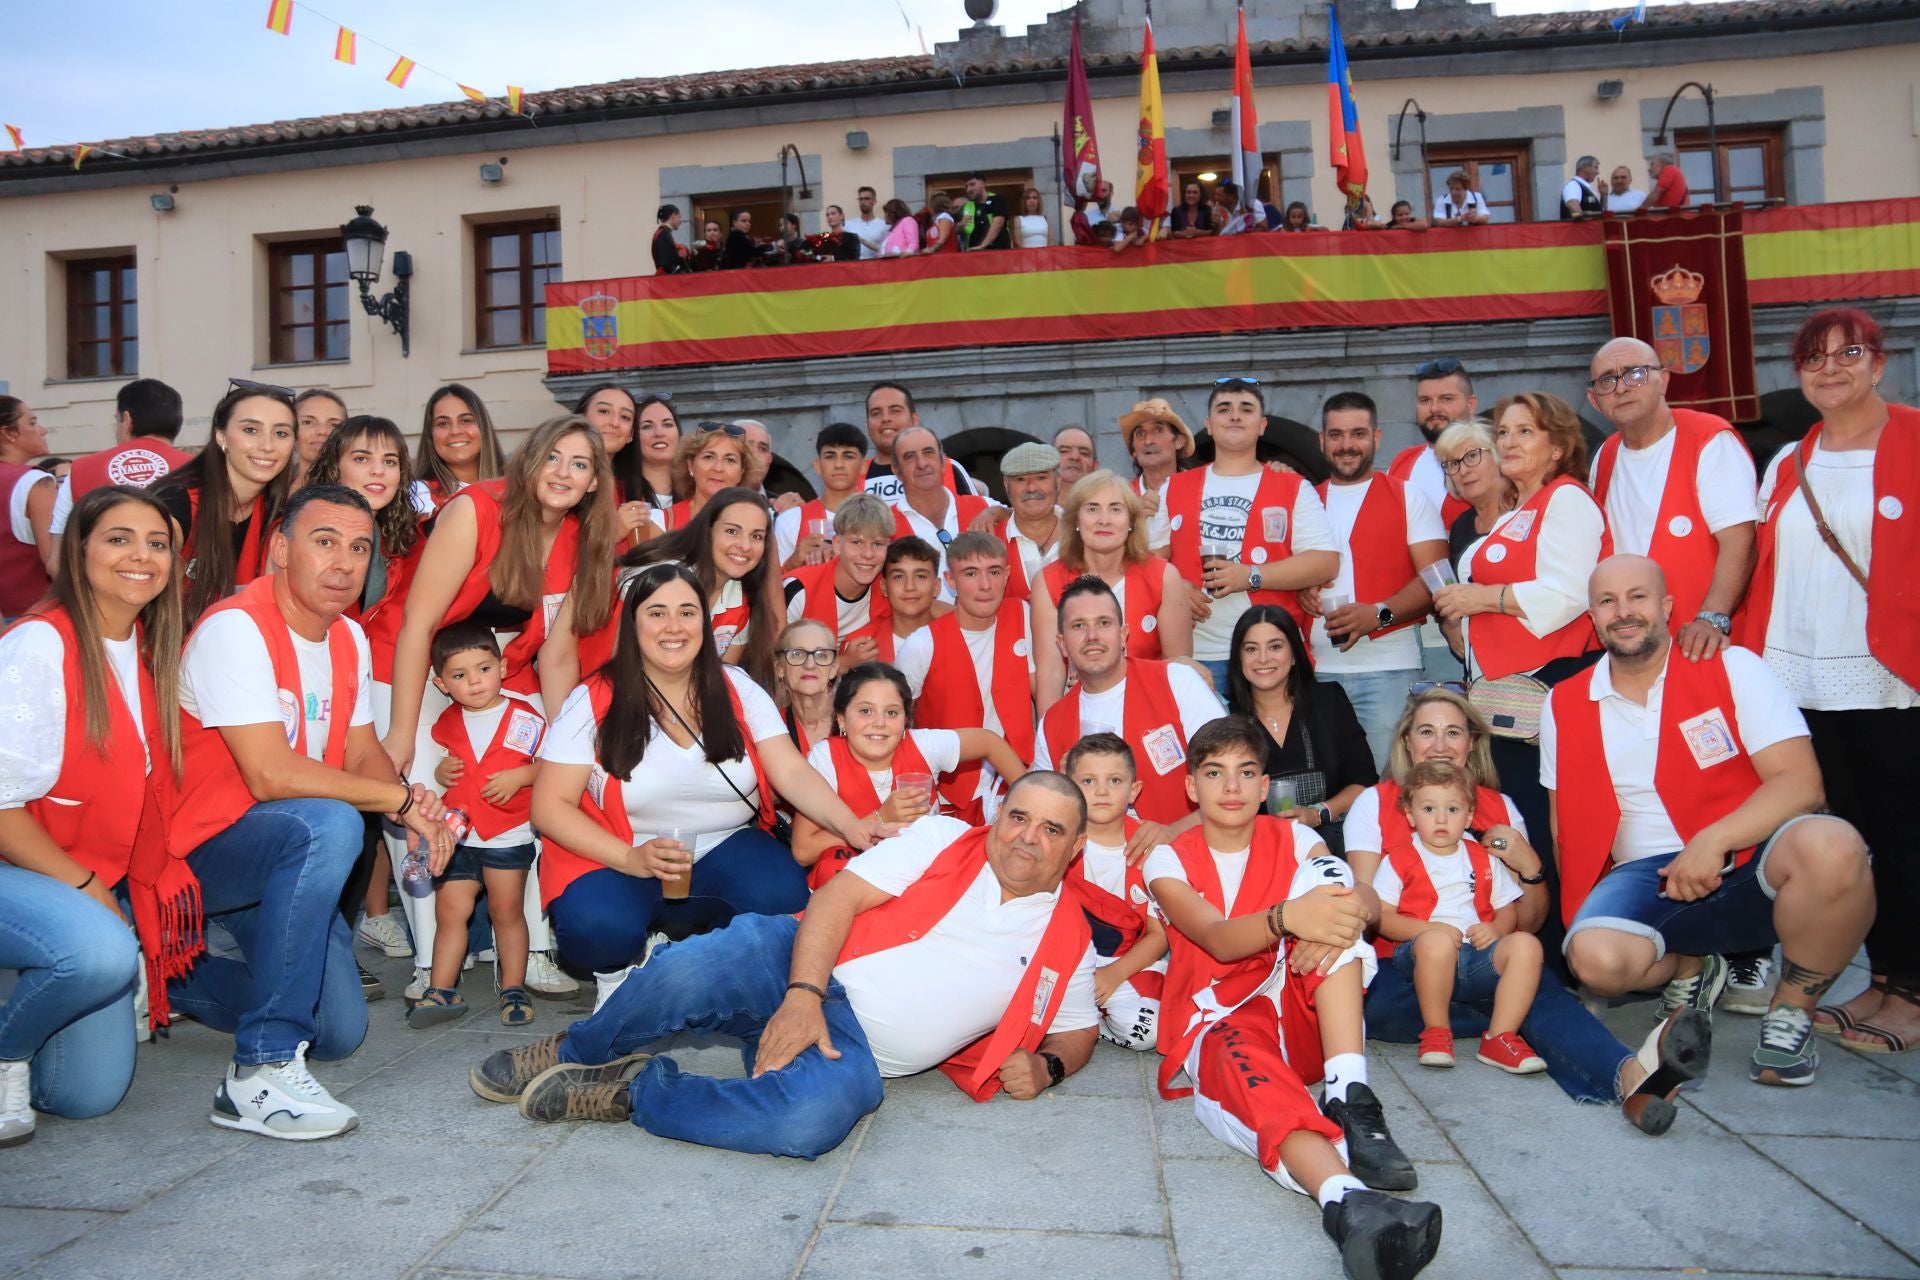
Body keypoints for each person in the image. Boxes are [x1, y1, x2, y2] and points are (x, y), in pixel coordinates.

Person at [474, 771, 1099, 1155]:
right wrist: (802, 996)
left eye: (1050, 829)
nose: (1027, 837)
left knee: (808, 1123)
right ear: (998, 818)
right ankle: (574, 1049)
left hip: (852, 1048)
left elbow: (1077, 1029)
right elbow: (836, 895)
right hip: (797, 964)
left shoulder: (1068, 937)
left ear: (1074, 848)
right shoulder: (942, 838)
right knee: (691, 969)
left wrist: (1049, 1066)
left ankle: (636, 1093)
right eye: (1018, 817)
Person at [169, 484, 456, 1139]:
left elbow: (362, 754)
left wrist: (416, 812)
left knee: (337, 1032)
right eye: (324, 542)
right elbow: (271, 774)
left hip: (278, 853)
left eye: (360, 548)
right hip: (200, 851)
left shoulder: (348, 637)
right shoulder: (234, 628)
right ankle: (259, 1069)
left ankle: (163, 976)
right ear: (279, 549)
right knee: (328, 824)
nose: (344, 563)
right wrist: (400, 801)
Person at [1547, 554, 1876, 1086]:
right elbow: (1566, 824)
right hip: (1648, 877)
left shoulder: (1733, 666)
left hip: (1752, 857)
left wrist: (1714, 839)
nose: (1624, 611)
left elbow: (1801, 782)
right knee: (1595, 961)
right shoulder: (1563, 701)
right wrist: (1590, 907)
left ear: (1667, 607)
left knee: (1834, 845)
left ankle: (1791, 1011)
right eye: (1607, 601)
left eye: (1638, 596)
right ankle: (1693, 967)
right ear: (1592, 617)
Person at [1144, 718, 1441, 1270]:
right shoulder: (1168, 857)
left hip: (1302, 1013)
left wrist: (1336, 916)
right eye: (1215, 773)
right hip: (1223, 1015)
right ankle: (1349, 1204)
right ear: (1191, 786)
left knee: (1336, 927)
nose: (1231, 788)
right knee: (1264, 1092)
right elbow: (1216, 938)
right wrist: (1290, 918)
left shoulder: (1298, 837)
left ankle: (1350, 1093)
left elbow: (1356, 896)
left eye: (1246, 773)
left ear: (1265, 786)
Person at [1350, 685, 1713, 1129]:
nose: (1440, 745)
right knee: (1379, 1005)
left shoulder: (1497, 806)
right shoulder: (1377, 802)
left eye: (1454, 733)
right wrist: (1428, 935)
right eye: (1427, 732)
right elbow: (1367, 912)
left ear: (1471, 744)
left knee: (1527, 966)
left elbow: (1532, 920)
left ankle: (1631, 1078)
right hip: (1404, 967)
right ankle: (1514, 1018)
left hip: (1485, 955)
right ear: (1407, 741)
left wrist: (1530, 866)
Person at [532, 562, 886, 1008]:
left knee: (784, 901)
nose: (674, 627)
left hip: (724, 846)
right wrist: (629, 857)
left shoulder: (737, 687)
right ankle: (619, 973)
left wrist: (851, 826)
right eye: (657, 613)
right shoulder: (593, 698)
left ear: (704, 620)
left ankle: (699, 960)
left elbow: (791, 772)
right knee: (596, 928)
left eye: (687, 612)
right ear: (633, 623)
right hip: (625, 852)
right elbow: (549, 806)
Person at [384, 417, 619, 1001]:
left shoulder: (583, 537)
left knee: (547, 797)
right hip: (424, 667)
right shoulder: (474, 510)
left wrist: (567, 748)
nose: (563, 473)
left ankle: (535, 949)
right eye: (553, 458)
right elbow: (418, 626)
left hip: (507, 672)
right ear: (530, 460)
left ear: (594, 482)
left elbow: (559, 656)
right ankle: (429, 957)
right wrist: (403, 734)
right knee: (421, 799)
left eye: (580, 464)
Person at [1740, 307, 1919, 1053]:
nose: (1831, 368)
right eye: (1814, 358)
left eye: (1849, 353)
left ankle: (1911, 993)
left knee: (1906, 836)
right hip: (1801, 679)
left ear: (1879, 364)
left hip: (1890, 678)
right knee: (1851, 839)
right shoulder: (1789, 462)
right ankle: (1877, 980)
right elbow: (1765, 570)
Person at [0, 486, 181, 1144]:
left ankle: (50, 975)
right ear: (78, 552)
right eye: (118, 538)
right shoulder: (38, 646)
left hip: (75, 877)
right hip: (23, 867)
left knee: (84, 1096)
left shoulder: (149, 651)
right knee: (101, 951)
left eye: (156, 543)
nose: (141, 555)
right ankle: (4, 1049)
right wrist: (90, 893)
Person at [1432, 392, 1607, 917]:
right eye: (1503, 431)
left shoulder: (1566, 499)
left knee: (1544, 821)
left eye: (1524, 431)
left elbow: (1573, 592)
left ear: (1557, 448)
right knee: (1521, 821)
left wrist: (1479, 599)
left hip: (1551, 686)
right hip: (1508, 696)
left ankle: (1562, 946)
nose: (1508, 440)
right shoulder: (1524, 509)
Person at [303, 416, 429, 975]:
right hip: (312, 690)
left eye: (390, 461)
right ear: (334, 465)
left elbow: (410, 628)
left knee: (367, 816)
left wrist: (399, 727)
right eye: (362, 458)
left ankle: (340, 944)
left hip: (378, 690)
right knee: (327, 817)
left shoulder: (410, 536)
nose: (377, 471)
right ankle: (322, 945)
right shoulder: (302, 527)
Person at [1148, 377, 1340, 690]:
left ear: (1262, 425)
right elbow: (1148, 563)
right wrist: (1175, 585)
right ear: (1209, 425)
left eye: (1246, 409)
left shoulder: (1294, 487)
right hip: (1196, 656)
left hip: (1269, 656)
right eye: (1224, 409)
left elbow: (1325, 562)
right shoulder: (1174, 487)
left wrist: (1250, 575)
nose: (1235, 416)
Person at [1586, 336, 1757, 657]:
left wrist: (1712, 619)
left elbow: (1741, 542)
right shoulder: (1605, 456)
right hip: (1633, 651)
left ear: (1662, 381)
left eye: (1634, 374)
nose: (1621, 388)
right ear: (1594, 400)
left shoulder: (1708, 440)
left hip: (1704, 646)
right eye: (1607, 380)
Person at [1306, 392, 1449, 771]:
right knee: (1329, 792)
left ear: (1377, 438)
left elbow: (1438, 579)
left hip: (1391, 669)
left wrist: (1380, 614)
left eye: (1358, 434)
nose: (1347, 445)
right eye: (1336, 435)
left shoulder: (1409, 497)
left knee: (1392, 788)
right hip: (1315, 672)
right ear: (1322, 441)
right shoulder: (1303, 501)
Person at [413, 622, 544, 1029]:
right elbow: (444, 763)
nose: (474, 682)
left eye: (484, 669)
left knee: (507, 911)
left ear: (502, 667)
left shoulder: (524, 715)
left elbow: (554, 767)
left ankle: (514, 987)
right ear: (441, 683)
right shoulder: (448, 722)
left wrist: (520, 778)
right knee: (451, 910)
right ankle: (440, 986)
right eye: (459, 675)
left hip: (508, 832)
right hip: (458, 833)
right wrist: (439, 768)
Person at [1377, 761, 1544, 1073]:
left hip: (1474, 956)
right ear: (1411, 816)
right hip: (1421, 954)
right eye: (1429, 809)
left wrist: (1496, 928)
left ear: (1468, 816)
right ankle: (1437, 1032)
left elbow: (1507, 907)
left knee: (1526, 945)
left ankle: (1499, 1036)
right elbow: (1382, 917)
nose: (1441, 819)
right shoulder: (1399, 859)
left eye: (1452, 810)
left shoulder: (1483, 857)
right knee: (1437, 942)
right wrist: (1427, 929)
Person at [795, 661, 1025, 887]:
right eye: (865, 711)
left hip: (924, 875)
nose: (879, 723)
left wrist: (1030, 804)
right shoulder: (825, 758)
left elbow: (989, 742)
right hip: (857, 880)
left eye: (892, 712)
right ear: (842, 718)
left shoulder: (924, 745)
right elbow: (803, 850)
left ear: (906, 720)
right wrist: (881, 818)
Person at [1035, 578, 1224, 844]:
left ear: (1123, 635)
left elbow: (1230, 779)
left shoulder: (1177, 681)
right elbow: (1046, 818)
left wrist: (1173, 833)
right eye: (1079, 626)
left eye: (1103, 623)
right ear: (1062, 643)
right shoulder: (1051, 725)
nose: (1092, 636)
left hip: (1190, 858)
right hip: (1097, 875)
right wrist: (1065, 788)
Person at [896, 533, 1034, 819]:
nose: (985, 585)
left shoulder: (1023, 614)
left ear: (1007, 575)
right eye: (971, 573)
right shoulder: (922, 644)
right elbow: (896, 722)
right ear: (950, 580)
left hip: (1017, 782)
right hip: (950, 796)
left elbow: (1042, 687)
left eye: (994, 572)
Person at [1225, 606, 1377, 858]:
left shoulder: (1328, 702)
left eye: (1275, 647)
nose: (1263, 658)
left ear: (1294, 654)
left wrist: (1317, 813)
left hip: (1335, 844)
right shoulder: (1228, 719)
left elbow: (1365, 782)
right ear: (1239, 659)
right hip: (1259, 852)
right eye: (1251, 649)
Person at [1034, 471, 1193, 709]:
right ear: (1076, 521)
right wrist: (1052, 739)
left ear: (1131, 522)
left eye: (1116, 509)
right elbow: (1051, 674)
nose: (1104, 520)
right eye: (1092, 509)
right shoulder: (1047, 581)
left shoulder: (1163, 577)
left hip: (1149, 709)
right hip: (1079, 711)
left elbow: (1178, 669)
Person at [153, 382, 298, 627]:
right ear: (221, 436)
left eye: (281, 433)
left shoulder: (280, 512)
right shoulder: (177, 503)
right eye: (251, 430)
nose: (267, 445)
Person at [1061, 733, 1170, 1050]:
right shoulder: (1058, 839)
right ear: (1070, 787)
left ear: (1134, 790)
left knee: (1146, 1033)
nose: (1102, 791)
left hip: (1131, 962)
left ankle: (1091, 1020)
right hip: (1068, 959)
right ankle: (1082, 1012)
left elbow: (1159, 934)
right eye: (1089, 781)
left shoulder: (1150, 848)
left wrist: (1113, 975)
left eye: (1115, 780)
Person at [783, 493, 894, 652]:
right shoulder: (799, 589)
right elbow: (773, 660)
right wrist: (843, 663)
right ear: (836, 544)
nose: (868, 554)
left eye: (877, 544)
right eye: (857, 542)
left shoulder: (889, 589)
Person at [887, 427, 996, 588]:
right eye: (909, 457)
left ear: (943, 462)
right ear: (896, 471)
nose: (922, 464)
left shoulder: (985, 507)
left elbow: (1030, 520)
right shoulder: (885, 526)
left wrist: (1001, 511)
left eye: (928, 452)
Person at [1388, 358, 1477, 528]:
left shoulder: (1490, 461)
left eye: (1446, 399)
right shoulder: (1401, 461)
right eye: (1425, 401)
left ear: (1471, 405)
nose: (1434, 408)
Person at [859, 382, 979, 504]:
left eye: (895, 410)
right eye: (876, 413)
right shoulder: (852, 474)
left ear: (914, 419)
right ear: (867, 426)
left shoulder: (949, 468)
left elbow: (976, 514)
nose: (885, 418)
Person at [572, 383, 655, 549]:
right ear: (581, 419)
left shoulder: (634, 490)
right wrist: (612, 534)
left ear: (631, 434)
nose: (615, 422)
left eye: (625, 417)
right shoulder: (560, 479)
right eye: (604, 411)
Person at [774, 424, 866, 569]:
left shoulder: (882, 517)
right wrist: (794, 561)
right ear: (817, 465)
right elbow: (773, 585)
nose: (839, 464)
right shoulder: (790, 520)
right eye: (830, 456)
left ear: (863, 466)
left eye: (848, 456)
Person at [1433, 418, 1514, 579]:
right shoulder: (1461, 527)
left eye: (1471, 456)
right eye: (1453, 463)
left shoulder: (1526, 514)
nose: (1463, 471)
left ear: (1498, 456)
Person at [849, 536, 946, 662]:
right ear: (884, 587)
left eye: (920, 576)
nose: (910, 587)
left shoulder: (960, 637)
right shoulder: (862, 647)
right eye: (899, 577)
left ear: (936, 586)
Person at [0, 397, 55, 617]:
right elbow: (54, 560)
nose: (42, 430)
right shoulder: (34, 482)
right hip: (32, 613)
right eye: (32, 423)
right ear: (9, 433)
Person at [655, 420, 762, 532]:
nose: (718, 468)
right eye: (709, 457)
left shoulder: (758, 523)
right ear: (691, 465)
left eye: (730, 460)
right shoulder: (661, 522)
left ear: (742, 472)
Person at [414, 384, 507, 511]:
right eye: (443, 423)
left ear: (483, 428)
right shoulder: (419, 495)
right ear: (430, 435)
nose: (455, 431)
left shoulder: (517, 490)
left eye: (466, 420)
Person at [996, 441, 1062, 599]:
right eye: (1020, 479)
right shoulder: (990, 541)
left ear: (1058, 482)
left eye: (1041, 477)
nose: (1031, 488)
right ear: (1006, 485)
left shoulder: (1085, 533)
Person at [771, 617, 839, 755]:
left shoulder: (855, 721)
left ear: (833, 669)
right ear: (780, 668)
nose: (810, 665)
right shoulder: (771, 728)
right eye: (797, 654)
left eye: (821, 655)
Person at [1118, 398, 1195, 510]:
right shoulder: (1121, 498)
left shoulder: (1201, 489)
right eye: (1140, 434)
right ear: (1133, 450)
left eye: (1158, 430)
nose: (1148, 441)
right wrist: (1133, 516)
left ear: (1179, 441)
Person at [623, 393, 681, 514]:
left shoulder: (698, 490)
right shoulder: (616, 494)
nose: (659, 433)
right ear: (632, 436)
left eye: (667, 424)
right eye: (647, 427)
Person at [291, 390, 348, 491]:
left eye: (334, 425)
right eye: (308, 422)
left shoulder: (354, 492)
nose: (322, 431)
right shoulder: (269, 488)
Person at [957, 173, 1010, 251]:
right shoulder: (966, 207)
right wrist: (960, 226)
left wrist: (983, 246)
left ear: (982, 183)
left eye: (972, 184)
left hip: (998, 251)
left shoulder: (997, 200)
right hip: (973, 252)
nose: (969, 189)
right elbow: (955, 230)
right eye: (966, 186)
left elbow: (998, 223)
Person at [651, 203, 690, 275]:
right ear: (673, 216)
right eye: (679, 217)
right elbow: (668, 263)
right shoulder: (663, 233)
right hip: (667, 280)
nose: (680, 221)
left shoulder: (662, 232)